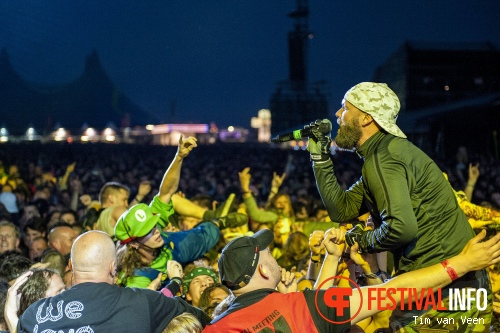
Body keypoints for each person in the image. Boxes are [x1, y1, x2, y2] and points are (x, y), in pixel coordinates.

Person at [306, 82, 491, 329]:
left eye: (344, 108)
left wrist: (359, 240)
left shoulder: (385, 159)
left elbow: (401, 229)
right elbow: (343, 209)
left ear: (366, 118)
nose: (338, 115)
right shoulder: (387, 154)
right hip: (453, 283)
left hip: (444, 289)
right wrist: (320, 160)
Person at [203, 229, 500, 332]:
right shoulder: (299, 306)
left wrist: (331, 259)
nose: (274, 258)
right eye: (268, 254)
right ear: (264, 272)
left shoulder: (215, 327)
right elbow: (390, 294)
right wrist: (462, 263)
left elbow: (320, 318)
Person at [17, 230, 210, 333]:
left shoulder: (33, 315)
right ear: (112, 267)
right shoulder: (142, 303)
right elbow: (201, 318)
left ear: (70, 265)